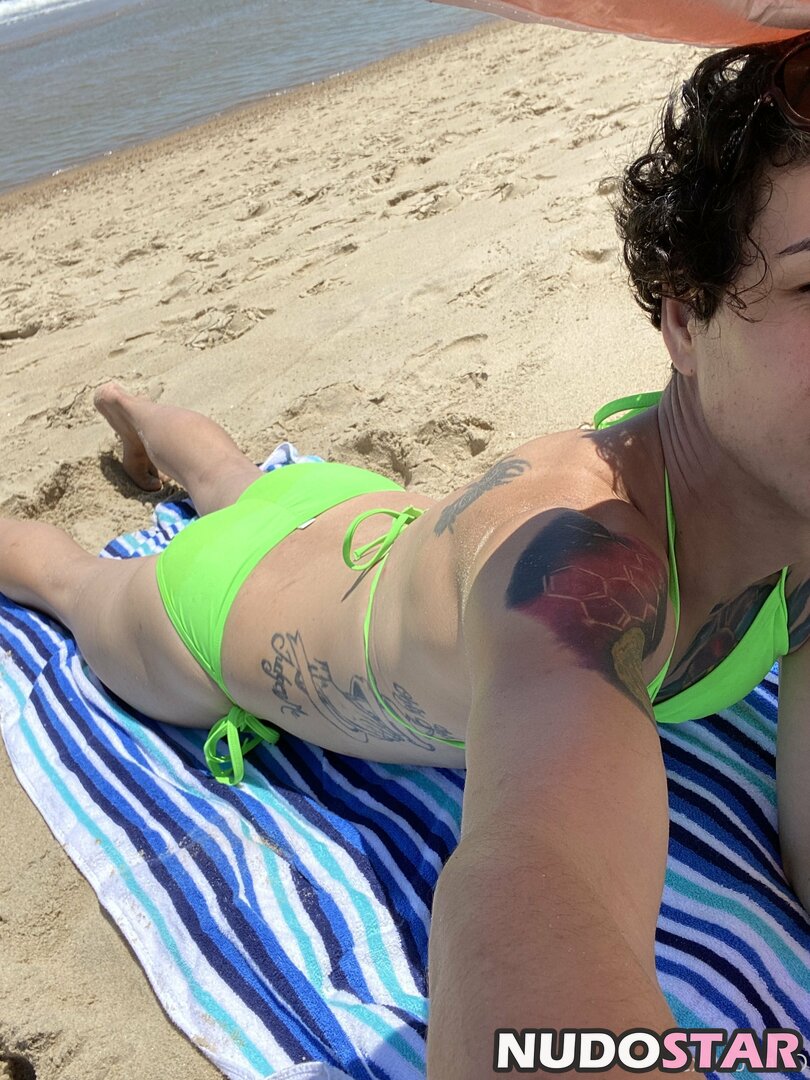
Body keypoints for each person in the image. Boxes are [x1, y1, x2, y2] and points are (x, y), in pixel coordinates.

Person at [3, 30, 810, 1079]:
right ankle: (136, 431)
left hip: (362, 517)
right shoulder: (582, 565)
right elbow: (533, 886)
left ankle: (146, 418)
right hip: (221, 610)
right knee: (66, 577)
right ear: (684, 318)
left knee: (243, 479)